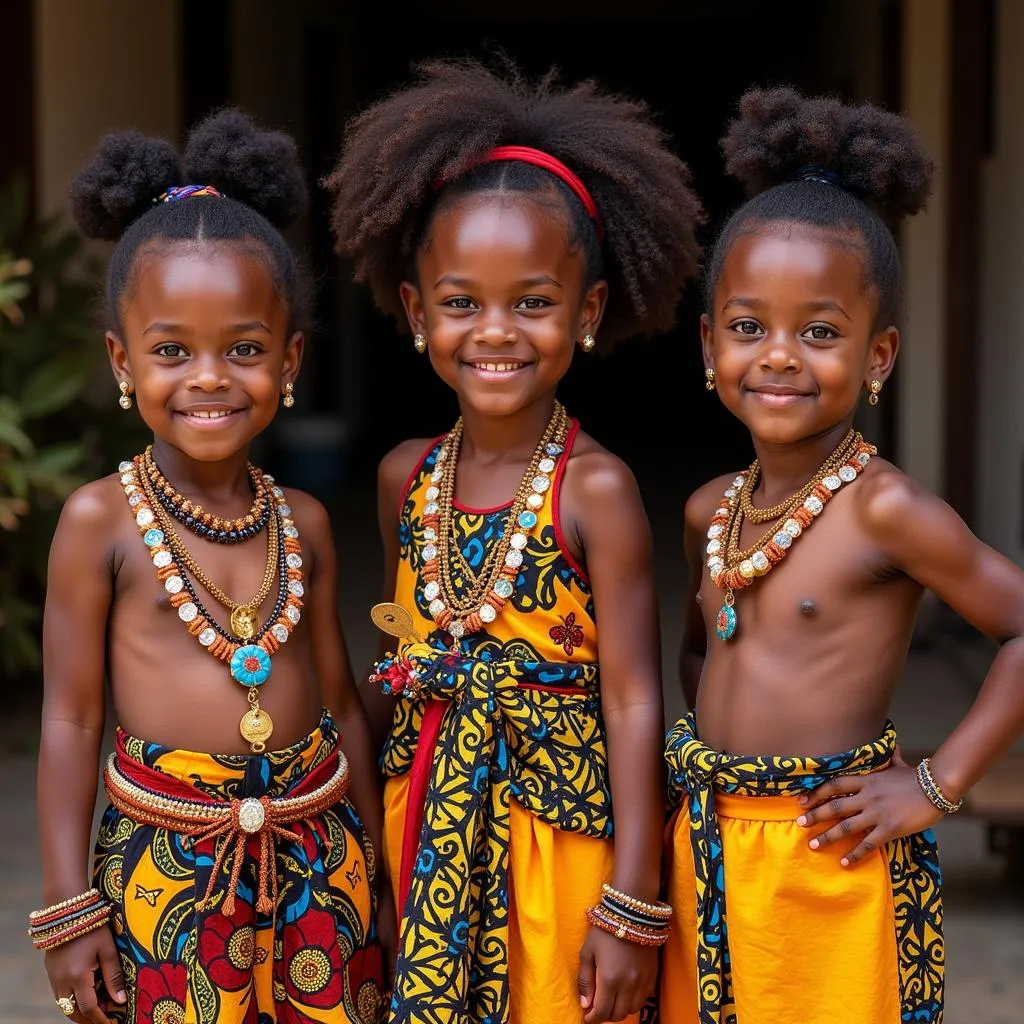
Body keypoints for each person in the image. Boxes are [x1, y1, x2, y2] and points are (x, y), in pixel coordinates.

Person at [324, 58, 703, 1024]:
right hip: (426, 822)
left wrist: (632, 898)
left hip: (560, 840)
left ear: (588, 312)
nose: (496, 331)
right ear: (416, 314)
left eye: (533, 303)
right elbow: (402, 654)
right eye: (461, 303)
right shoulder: (403, 476)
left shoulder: (597, 489)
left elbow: (630, 695)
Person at [662, 85, 1024, 1024]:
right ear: (710, 345)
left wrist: (935, 787)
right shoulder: (711, 508)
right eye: (749, 328)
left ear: (879, 355)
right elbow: (699, 651)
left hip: (833, 852)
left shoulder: (888, 511)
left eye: (820, 332)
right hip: (707, 844)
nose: (779, 355)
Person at [34, 109, 386, 1024]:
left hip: (323, 861)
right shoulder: (98, 523)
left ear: (289, 360)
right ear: (123, 361)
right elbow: (71, 721)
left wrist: (381, 869)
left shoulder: (302, 521)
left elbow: (342, 703)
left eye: (243, 349)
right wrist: (69, 909)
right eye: (170, 351)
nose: (209, 378)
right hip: (164, 877)